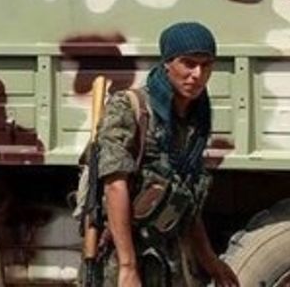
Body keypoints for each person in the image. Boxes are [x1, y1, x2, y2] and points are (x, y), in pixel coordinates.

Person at [94, 22, 239, 287]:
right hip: (126, 253)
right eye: (188, 64)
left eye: (206, 65)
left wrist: (210, 260)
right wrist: (127, 267)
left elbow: (186, 199)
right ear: (167, 63)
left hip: (170, 258)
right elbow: (115, 185)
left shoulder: (196, 118)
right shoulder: (131, 107)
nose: (197, 74)